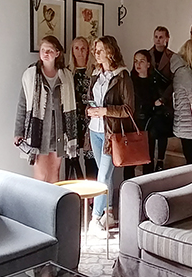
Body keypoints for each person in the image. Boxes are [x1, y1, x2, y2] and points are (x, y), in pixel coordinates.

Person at [86, 36, 135, 231]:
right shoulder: (95, 74)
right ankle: (110, 213)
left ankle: (95, 218)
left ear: (111, 51)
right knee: (105, 176)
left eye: (100, 50)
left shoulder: (122, 76)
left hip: (111, 133)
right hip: (94, 130)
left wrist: (105, 111)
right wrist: (89, 110)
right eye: (95, 50)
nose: (96, 53)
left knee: (103, 175)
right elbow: (90, 99)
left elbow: (129, 109)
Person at [14, 35, 79, 183]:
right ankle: (39, 198)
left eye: (49, 50)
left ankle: (54, 198)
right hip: (38, 130)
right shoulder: (31, 75)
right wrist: (18, 132)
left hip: (59, 130)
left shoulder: (66, 75)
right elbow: (23, 104)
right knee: (41, 174)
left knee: (55, 172)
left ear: (57, 53)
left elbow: (71, 106)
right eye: (43, 50)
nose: (46, 53)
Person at [126, 49, 164, 177]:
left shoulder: (154, 80)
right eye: (135, 61)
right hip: (133, 123)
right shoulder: (130, 81)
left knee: (148, 158)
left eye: (141, 61)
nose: (138, 64)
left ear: (148, 64)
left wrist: (158, 102)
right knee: (130, 160)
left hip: (149, 123)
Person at [66, 35, 97, 180]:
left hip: (90, 119)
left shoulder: (94, 71)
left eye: (83, 48)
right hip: (72, 119)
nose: (80, 51)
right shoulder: (67, 72)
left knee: (90, 158)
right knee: (72, 159)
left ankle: (92, 192)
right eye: (77, 48)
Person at [149, 26, 175, 170]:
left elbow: (174, 81)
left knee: (163, 132)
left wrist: (164, 98)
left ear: (167, 39)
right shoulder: (147, 55)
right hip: (151, 97)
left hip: (165, 98)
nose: (158, 40)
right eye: (156, 37)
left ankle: (160, 160)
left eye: (161, 37)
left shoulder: (172, 57)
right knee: (151, 131)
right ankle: (150, 160)